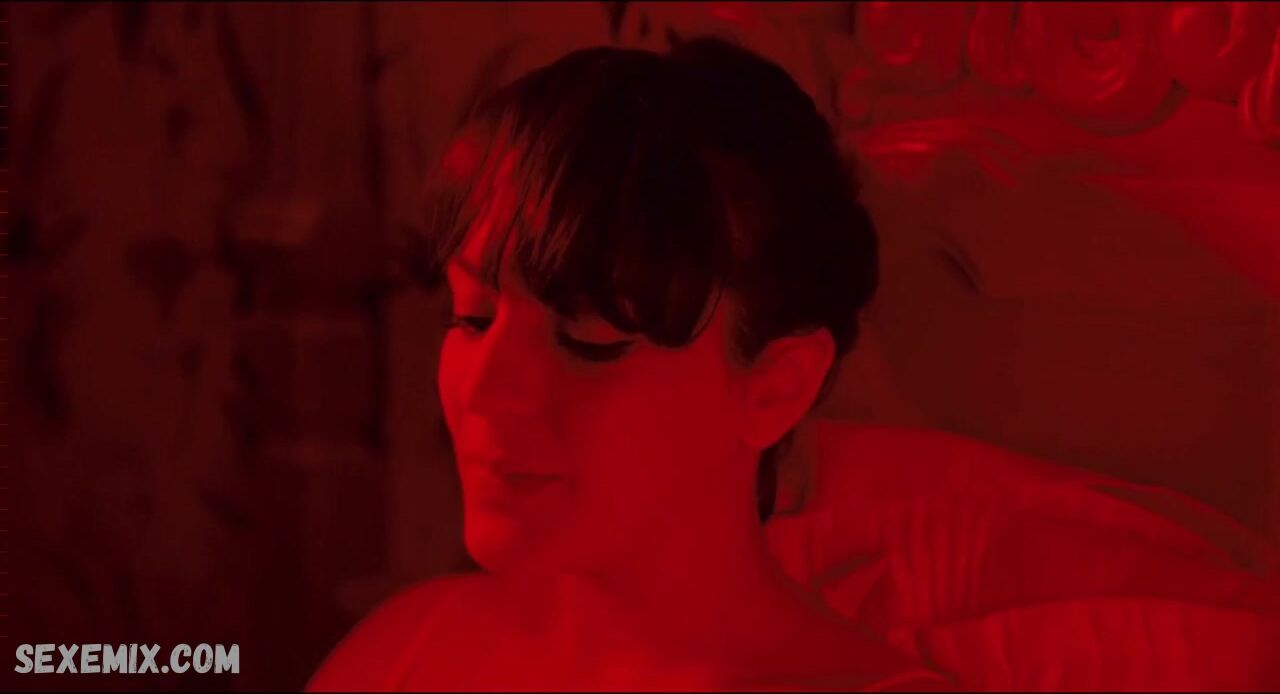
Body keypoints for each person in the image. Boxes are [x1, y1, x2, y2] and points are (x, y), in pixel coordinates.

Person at [308, 36, 950, 691]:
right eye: (473, 317)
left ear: (775, 387)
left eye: (585, 338)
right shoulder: (407, 651)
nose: (482, 388)